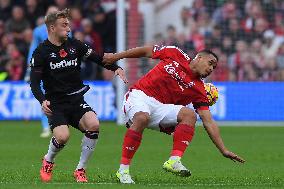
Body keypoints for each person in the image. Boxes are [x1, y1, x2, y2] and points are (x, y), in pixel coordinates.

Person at [104, 45, 245, 184]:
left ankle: (174, 161)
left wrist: (223, 149)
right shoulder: (175, 53)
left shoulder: (199, 89)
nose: (211, 69)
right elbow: (147, 50)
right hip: (140, 96)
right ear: (199, 57)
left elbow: (208, 121)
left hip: (160, 108)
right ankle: (123, 171)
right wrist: (116, 56)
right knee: (142, 117)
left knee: (190, 115)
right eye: (210, 63)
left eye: (214, 68)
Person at [29, 8, 127, 183]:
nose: (68, 28)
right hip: (56, 103)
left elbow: (98, 58)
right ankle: (48, 160)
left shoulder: (76, 45)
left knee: (94, 124)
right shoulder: (41, 52)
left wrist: (116, 67)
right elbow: (34, 83)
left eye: (69, 24)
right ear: (52, 28)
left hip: (76, 100)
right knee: (62, 136)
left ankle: (80, 169)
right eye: (64, 25)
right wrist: (42, 100)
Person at [25, 6, 59, 138]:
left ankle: (60, 124)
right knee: (44, 98)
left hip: (61, 68)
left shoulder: (65, 30)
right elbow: (33, 49)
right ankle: (46, 127)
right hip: (44, 69)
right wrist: (30, 68)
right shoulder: (38, 31)